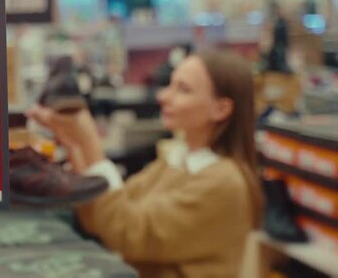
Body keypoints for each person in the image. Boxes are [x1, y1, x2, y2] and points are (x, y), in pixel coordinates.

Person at [27, 50, 263, 278]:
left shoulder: (224, 183)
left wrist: (89, 141)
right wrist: (73, 142)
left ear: (220, 109)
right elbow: (101, 218)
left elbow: (128, 233)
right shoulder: (176, 162)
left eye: (183, 89)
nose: (163, 96)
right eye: (171, 85)